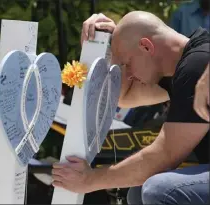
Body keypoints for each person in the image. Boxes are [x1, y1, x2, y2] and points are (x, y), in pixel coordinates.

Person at [52, 11, 210, 205]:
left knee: (158, 190)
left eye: (126, 64)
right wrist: (109, 44)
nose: (127, 73)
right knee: (139, 191)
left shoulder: (199, 64)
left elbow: (164, 156)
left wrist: (89, 180)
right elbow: (122, 98)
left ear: (146, 46)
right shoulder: (182, 69)